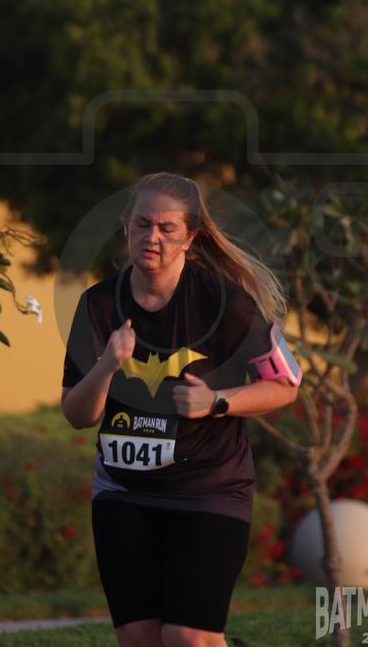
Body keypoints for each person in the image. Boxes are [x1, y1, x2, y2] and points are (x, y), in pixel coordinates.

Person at [60, 172, 301, 647]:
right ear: (126, 227)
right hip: (123, 491)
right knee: (140, 639)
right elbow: (77, 414)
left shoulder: (225, 303)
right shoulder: (98, 304)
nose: (152, 237)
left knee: (188, 637)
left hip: (208, 490)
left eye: (167, 228)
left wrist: (217, 401)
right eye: (142, 224)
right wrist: (106, 366)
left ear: (190, 237)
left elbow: (286, 385)